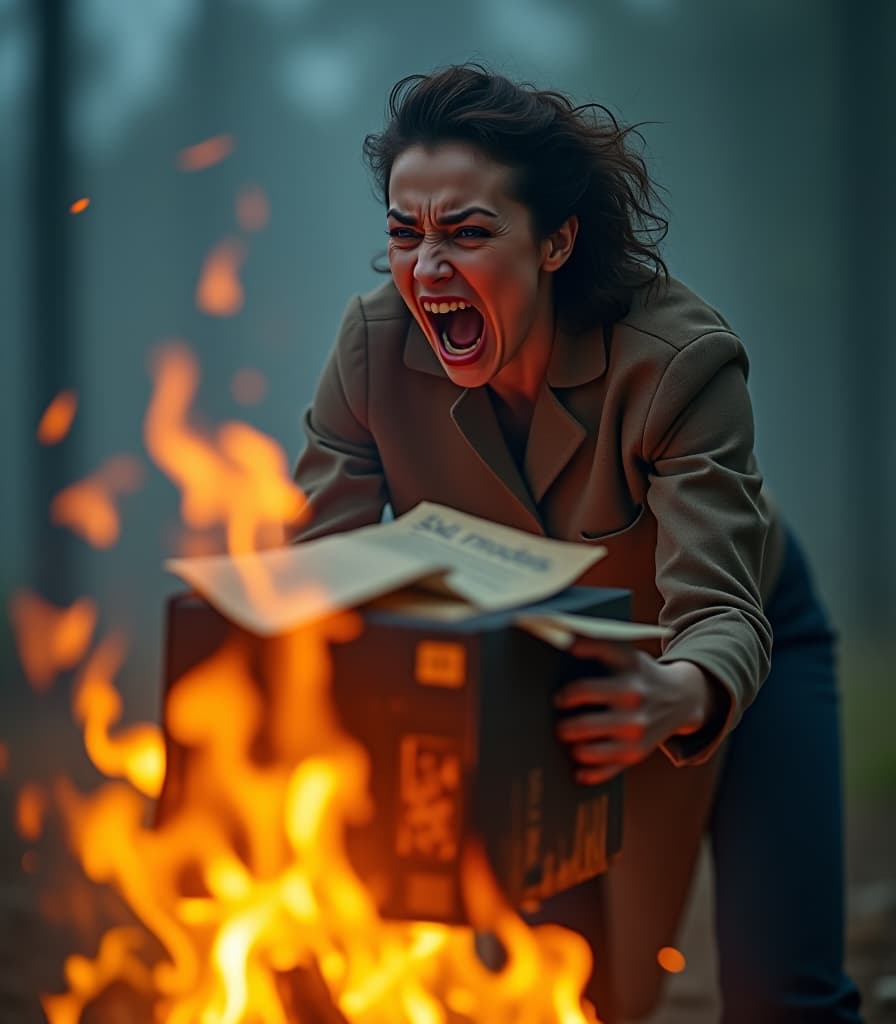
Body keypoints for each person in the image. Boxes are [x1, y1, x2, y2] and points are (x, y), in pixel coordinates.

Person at [289, 64, 862, 1023]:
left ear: (556, 241)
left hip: (721, 644)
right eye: (404, 232)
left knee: (782, 993)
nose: (427, 268)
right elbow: (318, 578)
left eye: (467, 233)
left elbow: (721, 609)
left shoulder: (679, 363)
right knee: (573, 990)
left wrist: (677, 692)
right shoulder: (371, 350)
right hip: (528, 660)